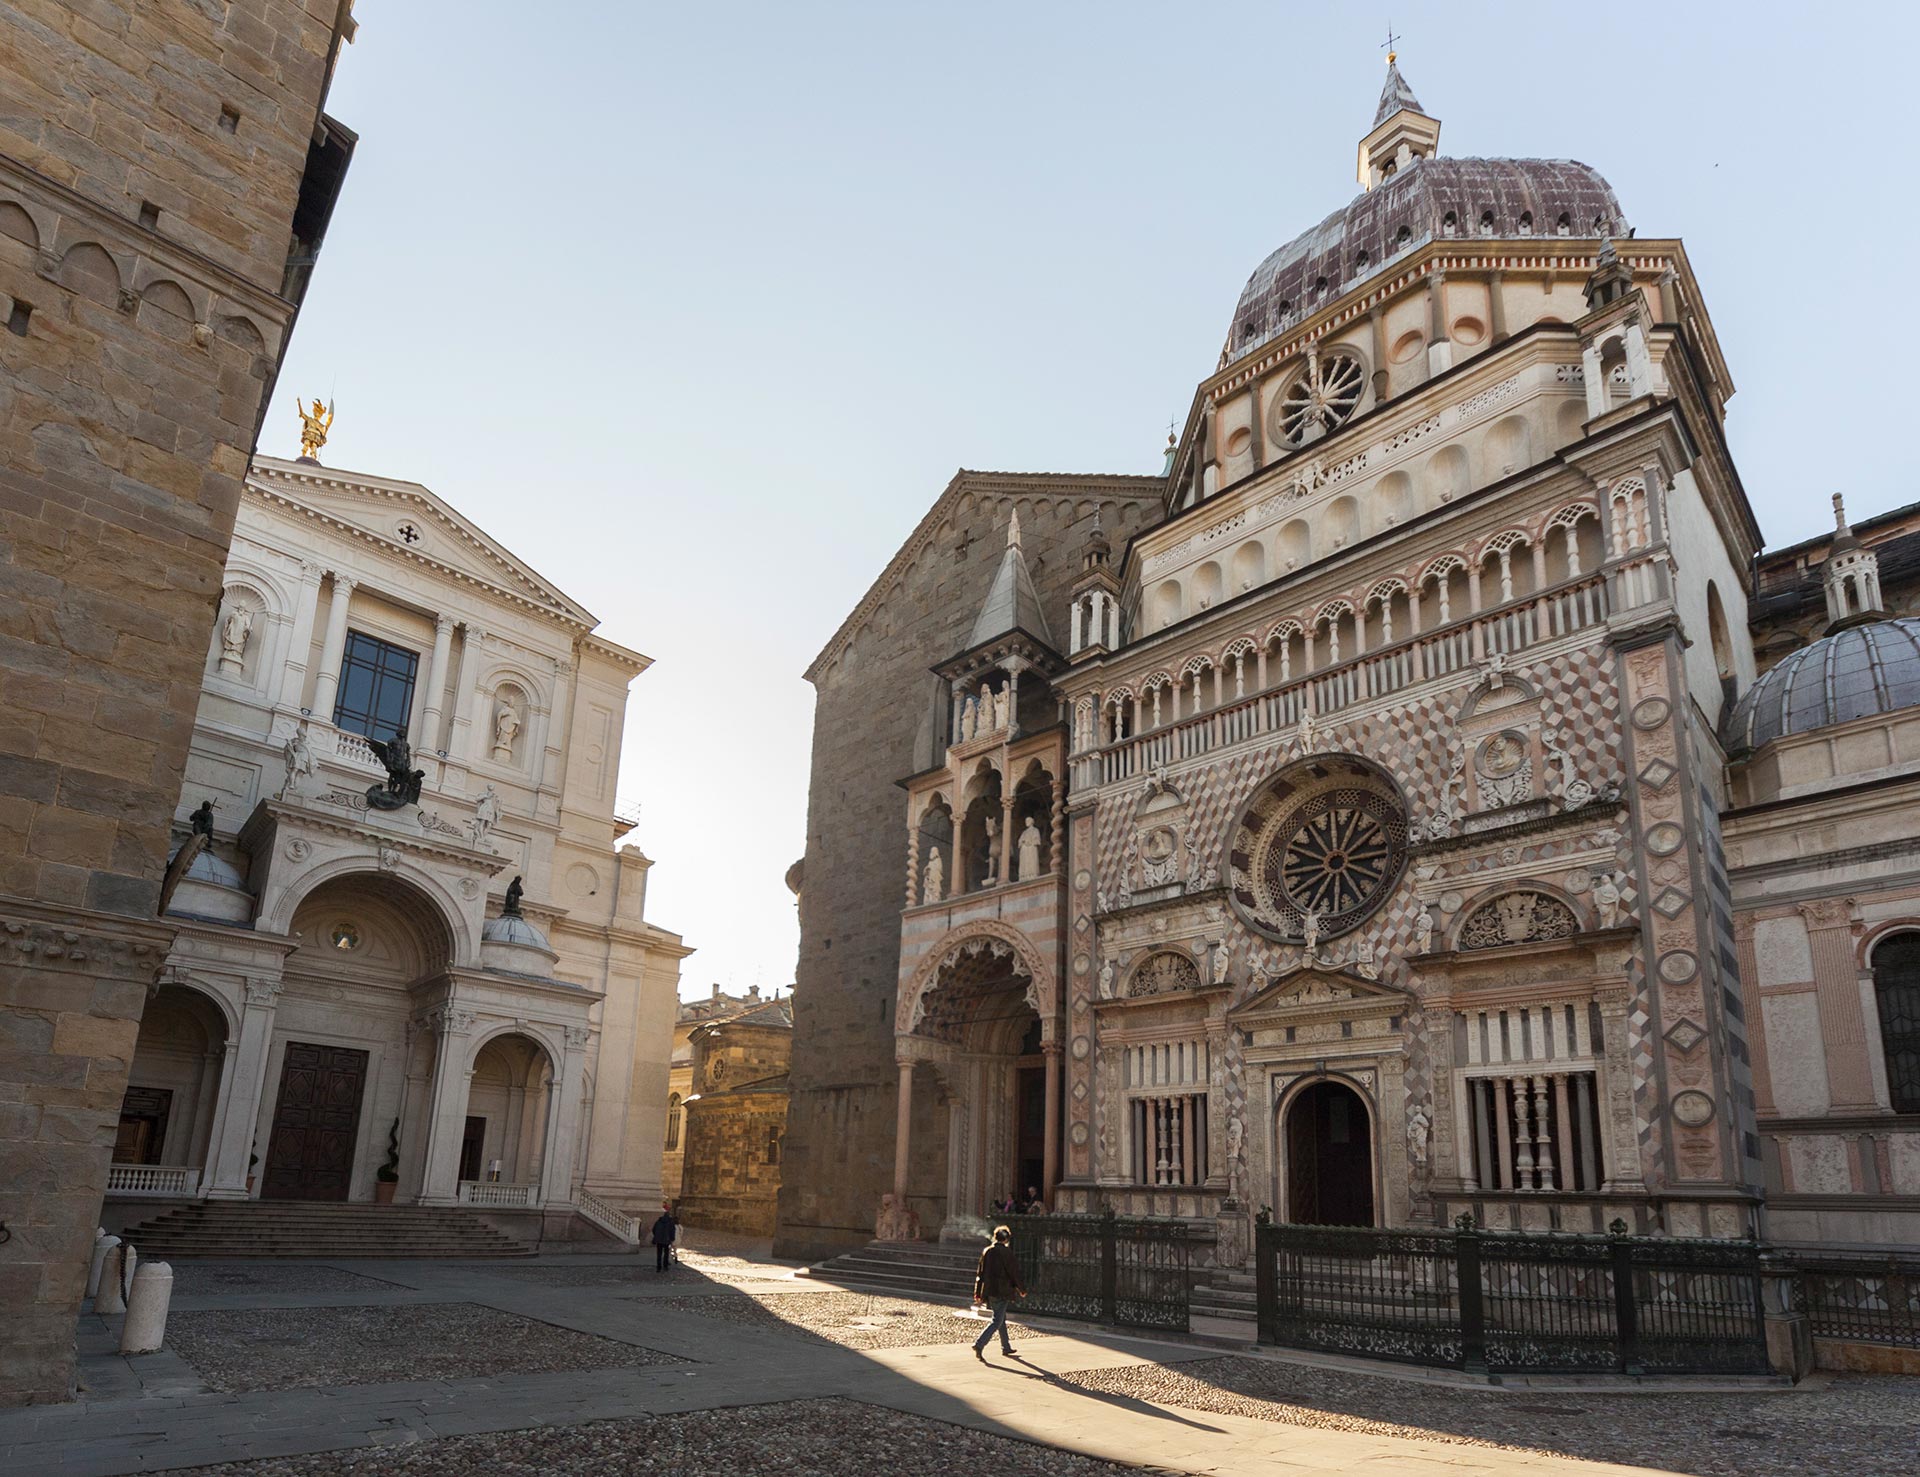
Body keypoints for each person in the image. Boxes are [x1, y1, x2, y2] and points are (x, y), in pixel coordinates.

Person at [971, 1225, 1027, 1360]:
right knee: (997, 1321)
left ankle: (1005, 1346)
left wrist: (977, 1292)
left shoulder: (987, 1251)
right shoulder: (1007, 1253)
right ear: (1006, 1239)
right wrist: (1021, 1289)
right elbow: (1014, 1273)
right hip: (1003, 1290)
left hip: (990, 1290)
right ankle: (979, 1344)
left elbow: (980, 1273)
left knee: (1001, 1318)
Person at [650, 1202, 677, 1273]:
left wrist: (656, 1236)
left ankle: (658, 1267)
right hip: (666, 1240)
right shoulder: (670, 1222)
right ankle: (665, 1266)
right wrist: (672, 1238)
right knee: (666, 1253)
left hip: (659, 1240)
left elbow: (654, 1229)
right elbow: (672, 1231)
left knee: (659, 1254)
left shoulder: (658, 1221)